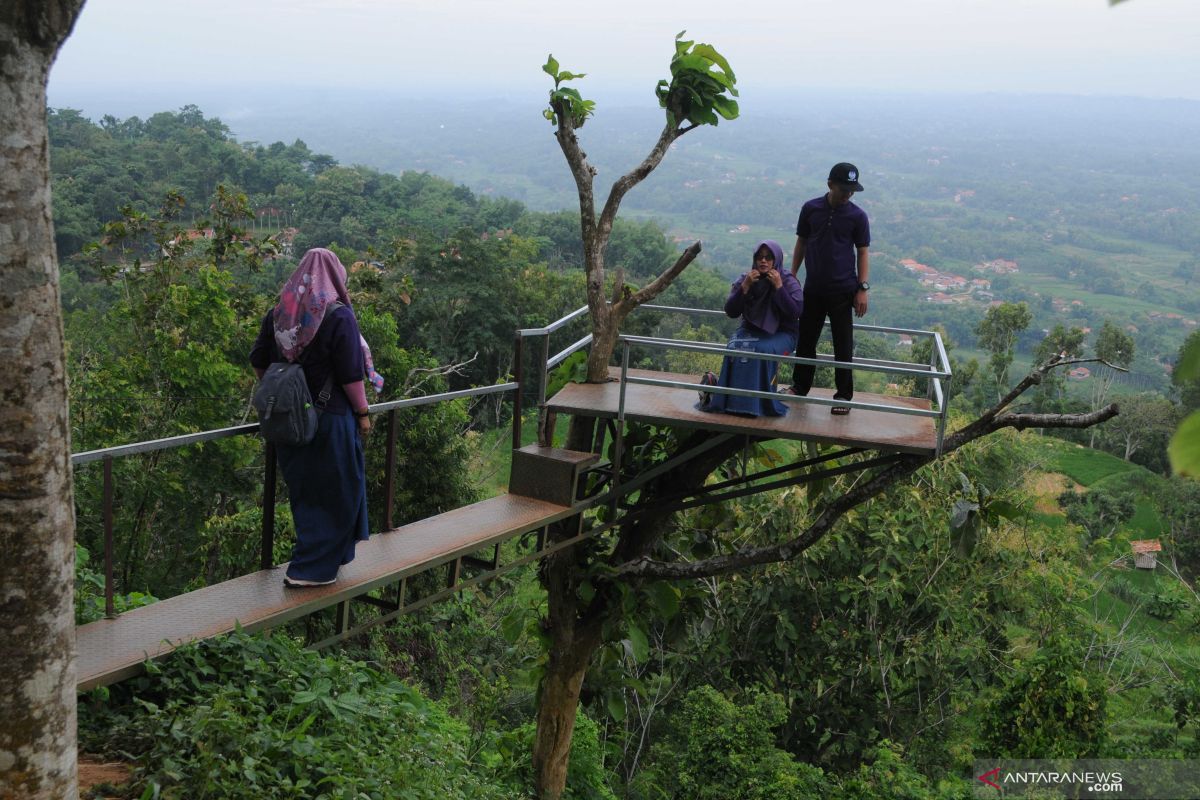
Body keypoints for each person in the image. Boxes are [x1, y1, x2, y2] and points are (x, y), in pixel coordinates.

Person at [250, 248, 384, 587]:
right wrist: (364, 413)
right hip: (331, 419)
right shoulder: (338, 316)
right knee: (341, 491)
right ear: (335, 275)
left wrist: (286, 392)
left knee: (307, 493)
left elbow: (259, 361)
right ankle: (311, 570)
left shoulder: (279, 314)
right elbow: (351, 375)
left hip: (289, 422)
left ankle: (316, 562)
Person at [790, 162, 871, 415]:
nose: (848, 194)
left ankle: (844, 396)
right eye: (843, 188)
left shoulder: (858, 216)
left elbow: (863, 252)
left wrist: (862, 288)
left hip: (843, 290)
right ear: (830, 185)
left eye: (852, 190)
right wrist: (792, 276)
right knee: (806, 340)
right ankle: (799, 387)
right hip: (813, 287)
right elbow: (801, 243)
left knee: (842, 344)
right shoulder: (811, 208)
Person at [702, 240, 804, 417]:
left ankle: (760, 403)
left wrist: (779, 288)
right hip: (749, 330)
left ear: (776, 260)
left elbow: (795, 312)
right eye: (759, 257)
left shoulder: (788, 281)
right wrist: (745, 287)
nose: (763, 261)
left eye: (768, 257)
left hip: (783, 334)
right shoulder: (746, 278)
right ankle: (730, 401)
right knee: (735, 346)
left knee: (762, 349)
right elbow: (731, 311)